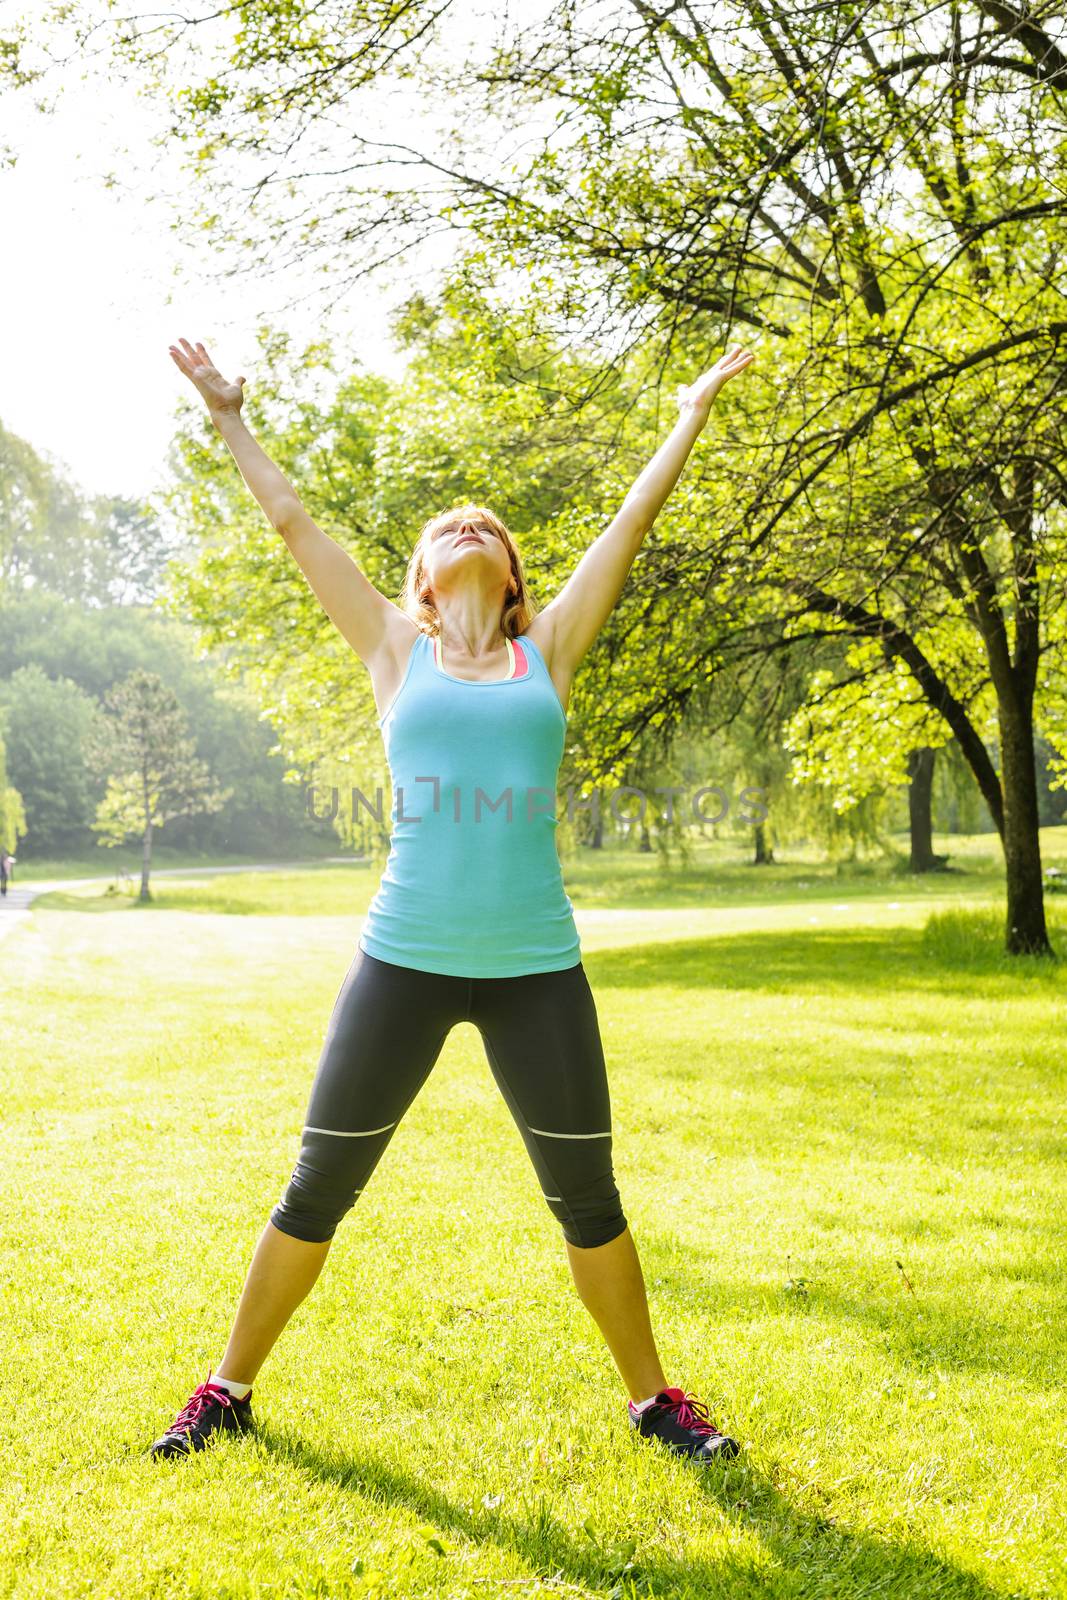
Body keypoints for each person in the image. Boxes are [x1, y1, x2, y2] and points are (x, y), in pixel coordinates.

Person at [152, 334, 755, 1465]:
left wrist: (685, 414)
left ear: (514, 577)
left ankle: (653, 1401)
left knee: (587, 1192)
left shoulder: (552, 651)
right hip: (404, 960)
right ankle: (226, 1389)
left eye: (490, 528)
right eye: (450, 528)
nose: (470, 527)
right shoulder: (391, 647)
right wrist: (229, 414)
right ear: (421, 580)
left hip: (536, 966)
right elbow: (292, 525)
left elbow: (630, 520)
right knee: (318, 1182)